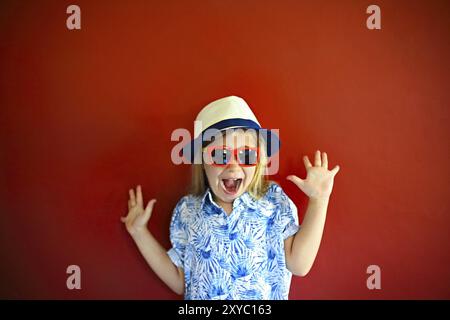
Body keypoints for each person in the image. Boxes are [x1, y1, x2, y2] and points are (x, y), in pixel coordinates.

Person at [121, 96, 340, 299]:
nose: (233, 166)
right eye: (220, 155)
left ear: (259, 161)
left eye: (246, 155)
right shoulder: (187, 210)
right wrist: (139, 233)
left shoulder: (272, 202)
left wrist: (319, 200)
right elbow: (181, 281)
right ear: (203, 161)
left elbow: (300, 265)